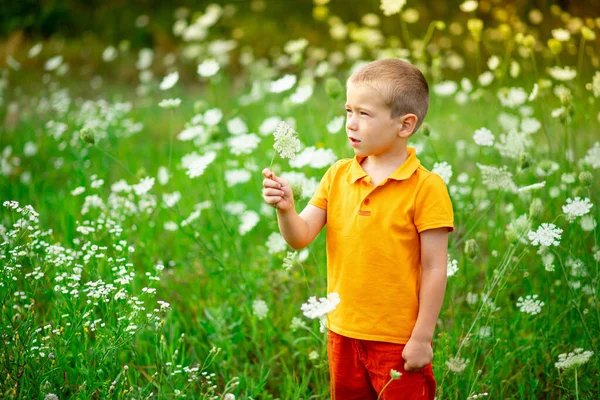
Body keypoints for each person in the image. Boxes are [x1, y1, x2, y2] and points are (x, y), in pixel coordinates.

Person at [261, 58, 454, 400]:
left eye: (364, 114)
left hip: (398, 339)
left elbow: (436, 267)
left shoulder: (427, 187)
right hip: (343, 331)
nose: (351, 123)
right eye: (348, 111)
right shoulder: (337, 175)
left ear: (405, 125)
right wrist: (286, 209)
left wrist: (422, 337)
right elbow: (299, 237)